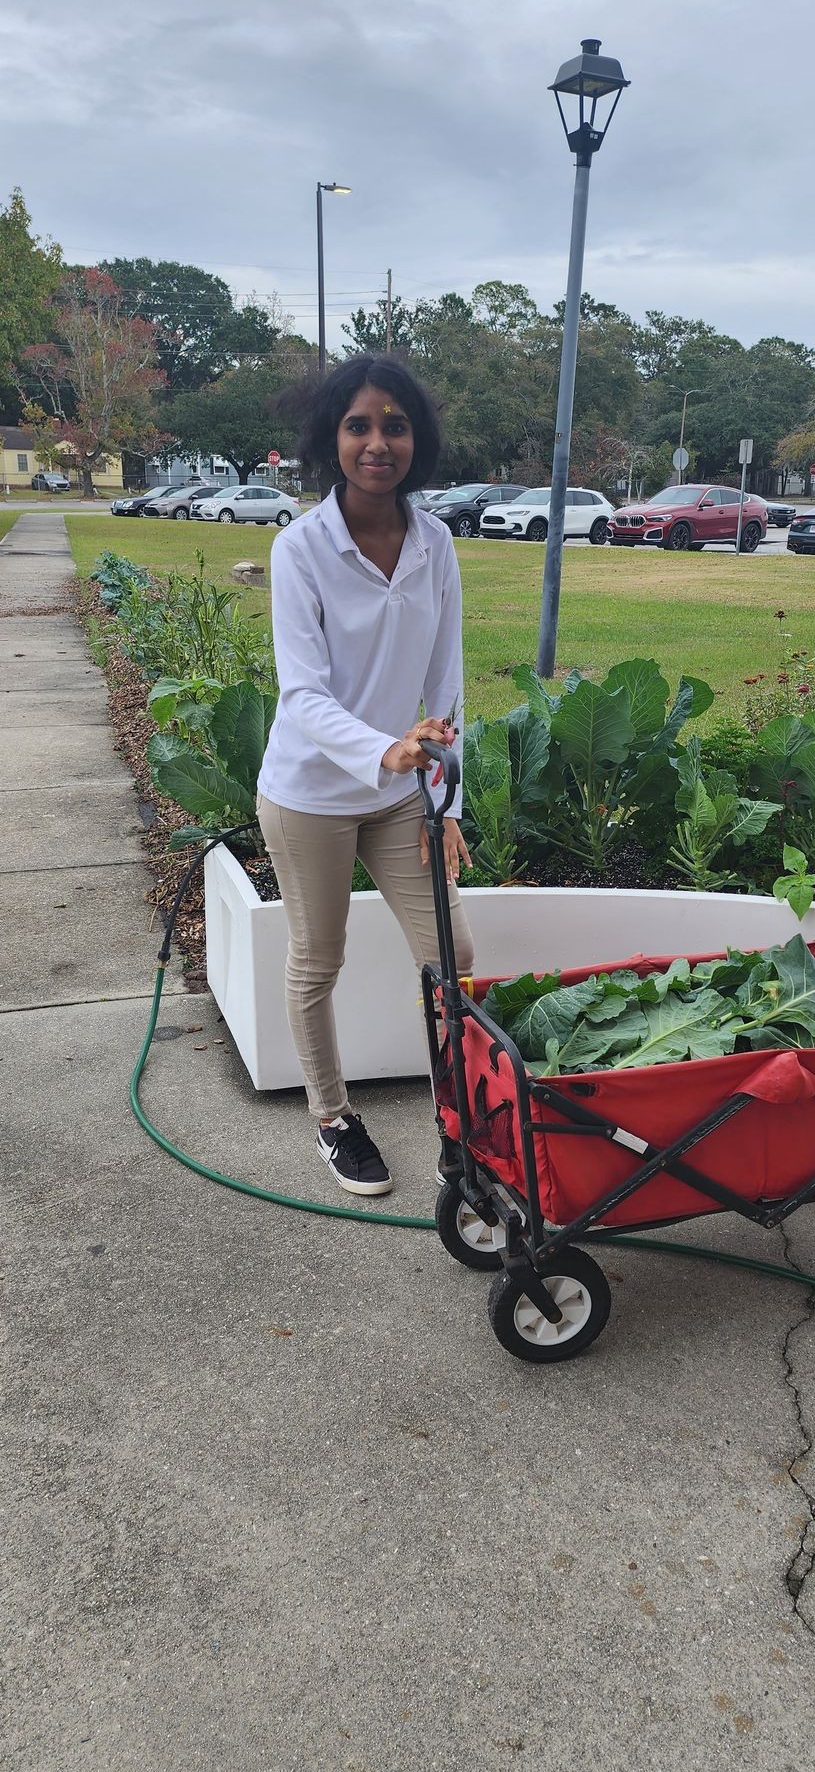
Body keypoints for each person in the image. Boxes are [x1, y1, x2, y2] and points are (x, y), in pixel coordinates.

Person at [256, 354, 474, 1197]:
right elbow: (302, 692)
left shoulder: (436, 543)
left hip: (400, 796)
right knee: (318, 960)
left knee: (451, 955)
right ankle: (332, 1116)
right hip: (309, 794)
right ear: (330, 440)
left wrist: (443, 798)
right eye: (358, 425)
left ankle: (463, 1109)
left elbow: (446, 685)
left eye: (394, 425)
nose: (377, 442)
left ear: (416, 441)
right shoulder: (300, 549)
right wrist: (382, 747)